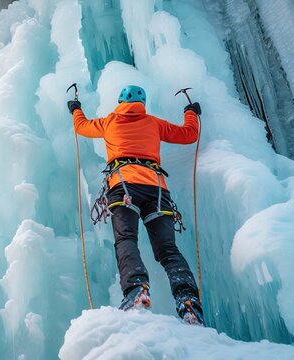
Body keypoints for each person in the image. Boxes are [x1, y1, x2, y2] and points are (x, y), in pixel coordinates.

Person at [68, 85, 204, 325]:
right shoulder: (153, 123)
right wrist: (190, 111)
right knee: (168, 251)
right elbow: (188, 134)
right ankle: (188, 302)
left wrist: (76, 108)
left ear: (120, 101)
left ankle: (136, 289)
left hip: (124, 185)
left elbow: (81, 126)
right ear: (143, 103)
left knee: (126, 238)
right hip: (157, 189)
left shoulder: (110, 122)